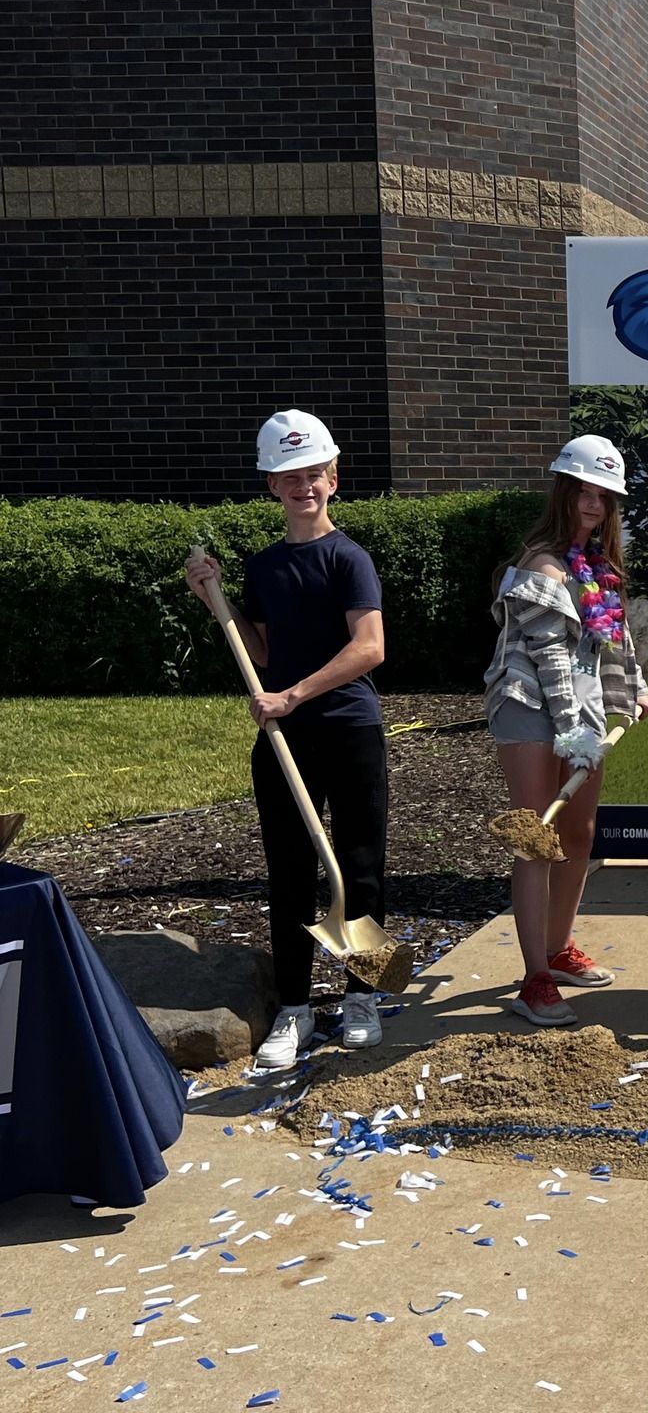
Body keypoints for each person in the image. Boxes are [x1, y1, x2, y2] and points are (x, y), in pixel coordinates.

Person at [183, 410, 389, 1070]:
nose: (303, 486)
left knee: (359, 866)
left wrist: (295, 694)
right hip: (284, 739)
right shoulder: (265, 565)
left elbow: (370, 648)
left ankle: (364, 996)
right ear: (272, 485)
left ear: (333, 478)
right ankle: (296, 1008)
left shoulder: (348, 558)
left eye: (313, 474)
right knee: (291, 874)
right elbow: (263, 650)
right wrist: (218, 605)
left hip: (350, 729)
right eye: (288, 476)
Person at [483, 434, 648, 1028]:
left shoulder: (598, 568)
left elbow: (614, 640)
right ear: (563, 492)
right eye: (583, 491)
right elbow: (552, 663)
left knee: (577, 834)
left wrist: (633, 690)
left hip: (578, 711)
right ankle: (532, 979)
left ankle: (558, 950)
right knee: (536, 836)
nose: (593, 503)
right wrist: (575, 730)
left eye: (603, 495)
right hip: (529, 705)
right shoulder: (541, 566)